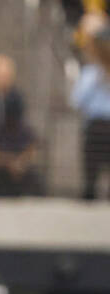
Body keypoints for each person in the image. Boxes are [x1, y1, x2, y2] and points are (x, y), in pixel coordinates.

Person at [71, 25, 110, 200]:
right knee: (91, 178)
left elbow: (77, 101)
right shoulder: (91, 74)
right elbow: (77, 101)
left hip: (103, 126)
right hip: (96, 127)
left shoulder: (93, 74)